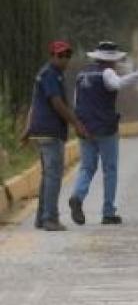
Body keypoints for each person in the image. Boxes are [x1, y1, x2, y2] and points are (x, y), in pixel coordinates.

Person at [68, 41, 138, 226]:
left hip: (85, 128)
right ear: (110, 60)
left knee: (87, 167)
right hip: (105, 129)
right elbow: (119, 84)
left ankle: (77, 196)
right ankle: (108, 212)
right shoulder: (107, 73)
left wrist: (78, 124)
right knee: (110, 170)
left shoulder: (82, 74)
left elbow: (77, 101)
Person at [20, 41, 89, 231]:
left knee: (47, 175)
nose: (64, 58)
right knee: (53, 176)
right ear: (52, 56)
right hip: (50, 132)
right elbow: (57, 103)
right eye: (60, 55)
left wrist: (27, 130)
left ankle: (41, 218)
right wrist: (76, 124)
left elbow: (35, 104)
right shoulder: (50, 74)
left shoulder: (50, 74)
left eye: (67, 55)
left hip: (42, 131)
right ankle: (50, 218)